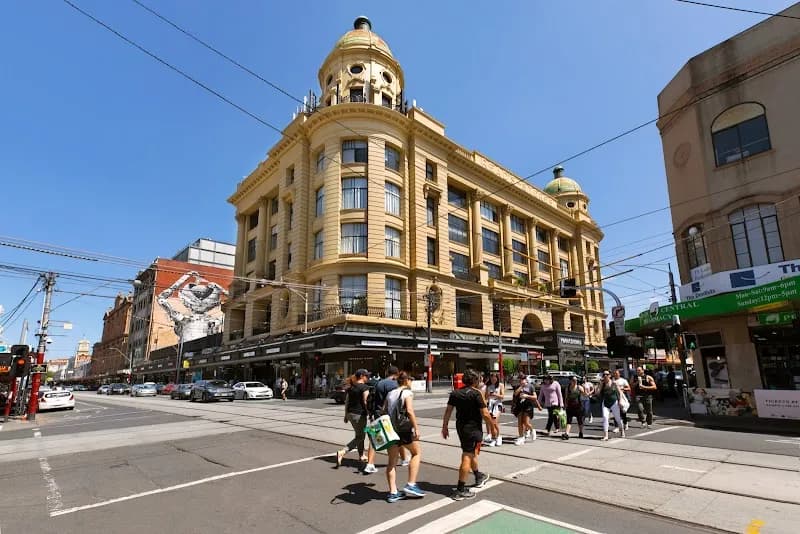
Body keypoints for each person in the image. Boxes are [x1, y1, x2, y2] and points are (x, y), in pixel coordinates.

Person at [441, 369, 495, 500]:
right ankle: (460, 489)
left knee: (471, 453)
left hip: (461, 428)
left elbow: (448, 411)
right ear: (475, 381)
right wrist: (493, 429)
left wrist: (445, 426)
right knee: (467, 456)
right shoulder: (477, 394)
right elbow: (485, 414)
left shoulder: (455, 393)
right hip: (474, 429)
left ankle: (478, 475)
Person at [384, 372, 425, 503]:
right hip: (403, 429)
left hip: (391, 429)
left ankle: (393, 492)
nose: (411, 382)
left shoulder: (390, 393)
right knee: (416, 453)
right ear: (406, 381)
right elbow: (409, 411)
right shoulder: (407, 393)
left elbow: (384, 411)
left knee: (392, 461)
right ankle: (411, 484)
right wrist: (416, 427)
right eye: (410, 380)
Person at [364, 366, 408, 473]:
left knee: (374, 438)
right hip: (389, 416)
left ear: (387, 373)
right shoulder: (394, 384)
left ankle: (370, 464)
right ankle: (403, 459)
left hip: (377, 413)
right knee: (397, 437)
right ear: (396, 374)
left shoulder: (379, 383)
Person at [336, 369, 371, 468]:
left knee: (360, 434)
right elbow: (365, 401)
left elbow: (347, 402)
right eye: (366, 376)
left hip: (351, 414)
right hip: (359, 415)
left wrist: (346, 415)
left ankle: (361, 455)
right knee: (360, 436)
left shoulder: (351, 387)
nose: (368, 377)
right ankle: (343, 451)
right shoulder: (365, 387)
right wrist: (369, 412)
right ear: (361, 376)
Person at [595, 370, 625, 440]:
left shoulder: (614, 383)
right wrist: (600, 384)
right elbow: (597, 393)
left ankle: (622, 430)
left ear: (610, 375)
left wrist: (620, 401)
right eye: (604, 374)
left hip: (614, 402)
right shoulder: (602, 384)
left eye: (607, 374)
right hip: (605, 403)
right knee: (605, 418)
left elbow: (620, 392)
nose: (605, 376)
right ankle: (606, 435)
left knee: (617, 418)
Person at [511, 376, 542, 445]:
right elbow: (515, 394)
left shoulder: (530, 386)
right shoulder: (518, 387)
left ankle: (532, 430)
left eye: (523, 379)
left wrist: (527, 396)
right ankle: (521, 437)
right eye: (520, 380)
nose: (521, 381)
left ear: (526, 380)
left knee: (526, 422)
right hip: (520, 406)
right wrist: (521, 387)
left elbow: (535, 397)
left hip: (528, 406)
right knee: (520, 422)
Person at [483, 373, 505, 447]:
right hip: (490, 404)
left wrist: (496, 395)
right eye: (491, 378)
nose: (493, 379)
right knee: (491, 423)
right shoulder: (488, 386)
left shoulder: (501, 385)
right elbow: (485, 396)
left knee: (494, 422)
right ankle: (493, 438)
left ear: (497, 378)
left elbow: (502, 396)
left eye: (494, 378)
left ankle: (499, 437)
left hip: (498, 404)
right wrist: (488, 394)